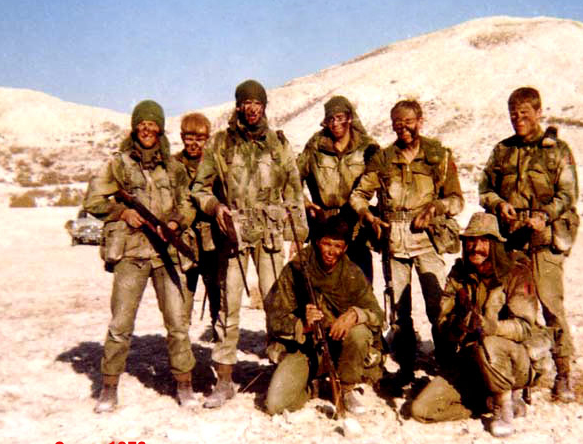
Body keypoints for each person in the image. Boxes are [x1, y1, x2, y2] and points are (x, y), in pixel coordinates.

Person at [191, 79, 308, 408]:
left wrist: (296, 237)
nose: (252, 108)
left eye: (258, 102)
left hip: (270, 234)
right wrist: (216, 208)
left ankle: (280, 373)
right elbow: (200, 187)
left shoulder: (278, 143)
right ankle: (224, 380)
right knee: (228, 307)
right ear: (238, 106)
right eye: (246, 102)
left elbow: (294, 191)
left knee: (277, 305)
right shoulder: (221, 144)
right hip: (236, 234)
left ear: (264, 106)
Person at [84, 100, 198, 412]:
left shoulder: (173, 168)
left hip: (165, 254)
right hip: (131, 253)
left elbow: (187, 204)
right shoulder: (118, 164)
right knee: (121, 324)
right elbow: (93, 200)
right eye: (142, 124)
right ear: (135, 127)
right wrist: (122, 213)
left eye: (153, 124)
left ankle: (184, 385)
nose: (147, 129)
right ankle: (108, 388)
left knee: (177, 322)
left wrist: (174, 222)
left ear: (160, 128)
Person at [349, 99, 464, 385]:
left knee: (438, 306)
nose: (403, 129)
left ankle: (447, 364)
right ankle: (406, 366)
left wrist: (436, 208)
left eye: (408, 122)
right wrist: (368, 216)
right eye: (397, 124)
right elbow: (358, 195)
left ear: (420, 121)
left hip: (427, 240)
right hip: (394, 243)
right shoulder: (384, 159)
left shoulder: (438, 156)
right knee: (399, 310)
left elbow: (457, 200)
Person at [410, 212, 553, 437]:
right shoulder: (459, 275)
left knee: (489, 343)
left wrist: (491, 327)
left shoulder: (516, 272)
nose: (476, 247)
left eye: (484, 241)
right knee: (421, 410)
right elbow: (441, 322)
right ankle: (486, 402)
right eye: (471, 241)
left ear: (495, 244)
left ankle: (504, 406)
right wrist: (458, 326)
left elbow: (525, 327)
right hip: (473, 359)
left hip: (516, 360)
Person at [479, 87, 579, 402]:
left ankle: (563, 374)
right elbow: (485, 188)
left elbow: (568, 195)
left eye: (524, 113)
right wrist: (499, 205)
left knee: (551, 306)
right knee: (515, 306)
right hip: (512, 241)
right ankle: (521, 373)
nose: (518, 119)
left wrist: (545, 216)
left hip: (545, 240)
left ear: (538, 112)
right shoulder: (502, 151)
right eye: (513, 113)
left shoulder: (557, 150)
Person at [264, 215, 384, 415]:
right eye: (326, 244)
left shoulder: (352, 273)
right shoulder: (296, 269)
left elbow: (378, 315)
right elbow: (274, 317)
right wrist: (302, 324)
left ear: (345, 248)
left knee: (360, 332)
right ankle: (312, 387)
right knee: (275, 405)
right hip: (306, 349)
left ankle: (346, 387)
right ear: (317, 242)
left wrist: (354, 314)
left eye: (338, 246)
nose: (331, 251)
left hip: (341, 350)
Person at [297, 95, 379, 281]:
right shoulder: (315, 147)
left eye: (340, 118)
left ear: (350, 118)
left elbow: (382, 181)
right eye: (330, 119)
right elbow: (292, 181)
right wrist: (307, 204)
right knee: (323, 284)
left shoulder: (367, 147)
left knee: (360, 283)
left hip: (355, 225)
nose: (335, 124)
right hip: (324, 224)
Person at [171, 113, 218, 327]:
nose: (194, 143)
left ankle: (218, 336)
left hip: (211, 239)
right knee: (183, 293)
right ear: (182, 137)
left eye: (199, 138)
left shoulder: (215, 163)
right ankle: (182, 343)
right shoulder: (172, 166)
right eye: (189, 137)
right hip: (183, 237)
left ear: (207, 139)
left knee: (216, 291)